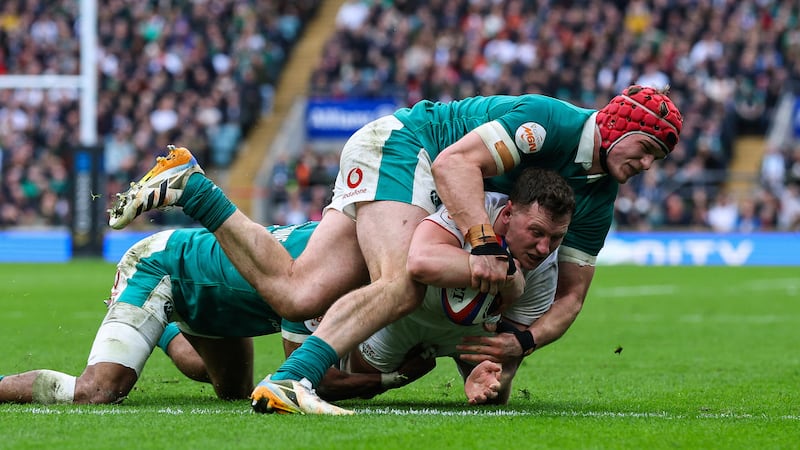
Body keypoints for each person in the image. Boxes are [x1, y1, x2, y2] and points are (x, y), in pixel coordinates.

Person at [108, 85, 682, 415]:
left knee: (298, 289)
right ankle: (294, 379)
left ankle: (191, 186)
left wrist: (521, 341)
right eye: (647, 147)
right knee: (403, 282)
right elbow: (455, 164)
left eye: (661, 158)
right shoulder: (551, 123)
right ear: (615, 124)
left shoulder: (599, 195)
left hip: (410, 166)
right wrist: (484, 245)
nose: (649, 165)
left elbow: (572, 297)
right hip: (407, 146)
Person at [276, 167, 575, 407]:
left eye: (556, 238)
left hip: (467, 335)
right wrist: (502, 273)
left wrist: (490, 376)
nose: (543, 248)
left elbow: (505, 352)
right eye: (536, 232)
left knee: (494, 400)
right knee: (349, 379)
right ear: (508, 214)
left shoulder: (544, 269)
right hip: (406, 316)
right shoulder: (473, 211)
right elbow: (419, 262)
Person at [0, 221, 362, 413]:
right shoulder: (331, 263)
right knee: (97, 391)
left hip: (216, 295)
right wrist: (391, 378)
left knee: (233, 390)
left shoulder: (346, 243)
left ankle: (160, 326)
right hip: (161, 264)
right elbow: (306, 377)